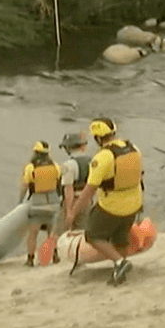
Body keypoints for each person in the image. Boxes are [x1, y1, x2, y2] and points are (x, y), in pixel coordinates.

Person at [65, 118, 145, 285]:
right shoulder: (133, 149)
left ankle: (120, 263)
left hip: (112, 207)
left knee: (93, 235)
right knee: (120, 238)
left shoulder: (102, 158)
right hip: (135, 203)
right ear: (114, 132)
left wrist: (72, 213)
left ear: (98, 138)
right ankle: (119, 273)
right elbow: (140, 176)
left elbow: (88, 191)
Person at [19, 141, 62, 267]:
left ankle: (30, 259)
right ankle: (55, 255)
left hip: (38, 202)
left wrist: (20, 202)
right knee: (51, 231)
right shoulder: (55, 166)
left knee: (33, 233)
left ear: (36, 153)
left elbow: (25, 186)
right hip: (53, 202)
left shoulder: (31, 167)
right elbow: (59, 183)